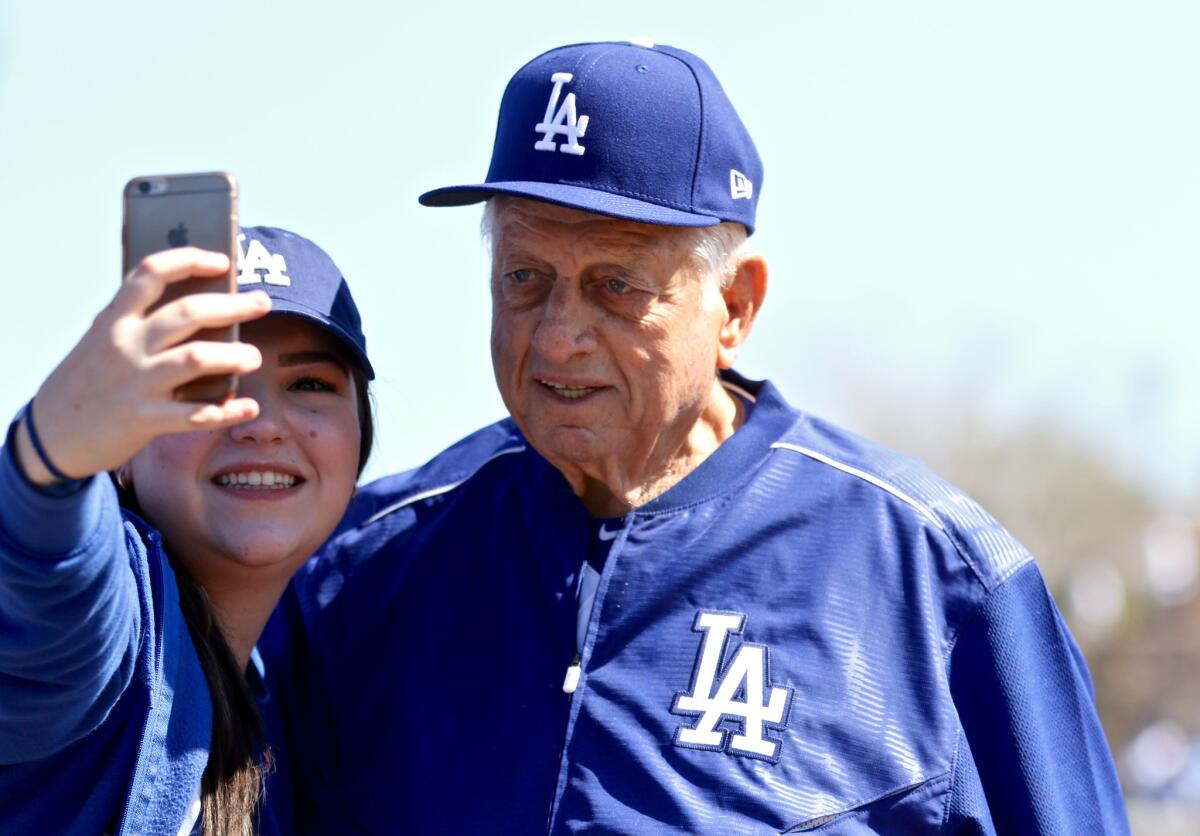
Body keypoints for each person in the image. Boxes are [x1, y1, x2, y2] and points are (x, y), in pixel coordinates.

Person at [265, 41, 1130, 833]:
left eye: (615, 285)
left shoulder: (936, 579)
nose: (559, 335)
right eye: (525, 279)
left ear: (737, 307)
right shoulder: (362, 571)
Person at [0, 226, 374, 835]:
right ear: (120, 450)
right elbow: (42, 574)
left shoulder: (280, 712)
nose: (260, 423)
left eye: (310, 384)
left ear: (357, 456)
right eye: (205, 382)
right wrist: (51, 454)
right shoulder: (117, 629)